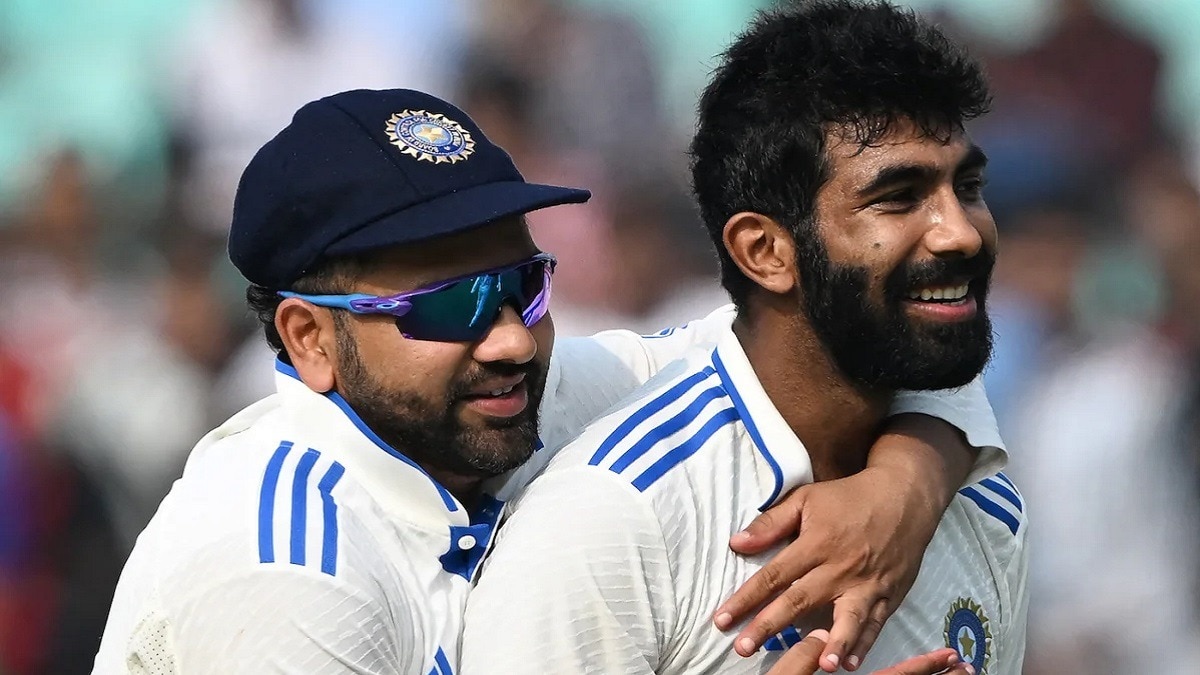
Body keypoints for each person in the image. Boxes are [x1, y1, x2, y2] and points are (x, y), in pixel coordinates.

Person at [92, 86, 1006, 674]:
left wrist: (904, 485)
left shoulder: (547, 389)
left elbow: (836, 338)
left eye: (522, 284)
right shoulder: (288, 569)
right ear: (310, 339)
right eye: (447, 305)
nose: (509, 341)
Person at [460, 2, 1028, 674]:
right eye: (898, 197)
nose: (961, 233)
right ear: (764, 252)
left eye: (968, 186)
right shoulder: (614, 521)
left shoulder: (984, 507)